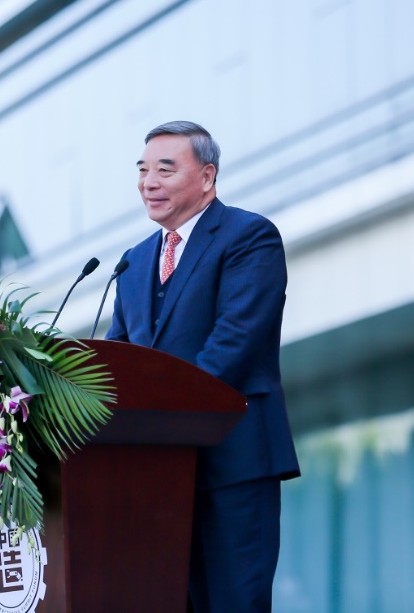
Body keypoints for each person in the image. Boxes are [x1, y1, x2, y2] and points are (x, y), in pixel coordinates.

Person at [106, 121, 300, 612]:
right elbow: (117, 359)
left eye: (164, 170)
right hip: (159, 478)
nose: (149, 182)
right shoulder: (133, 261)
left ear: (208, 176)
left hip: (235, 463)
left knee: (236, 602)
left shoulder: (249, 236)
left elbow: (233, 342)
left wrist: (161, 416)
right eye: (143, 170)